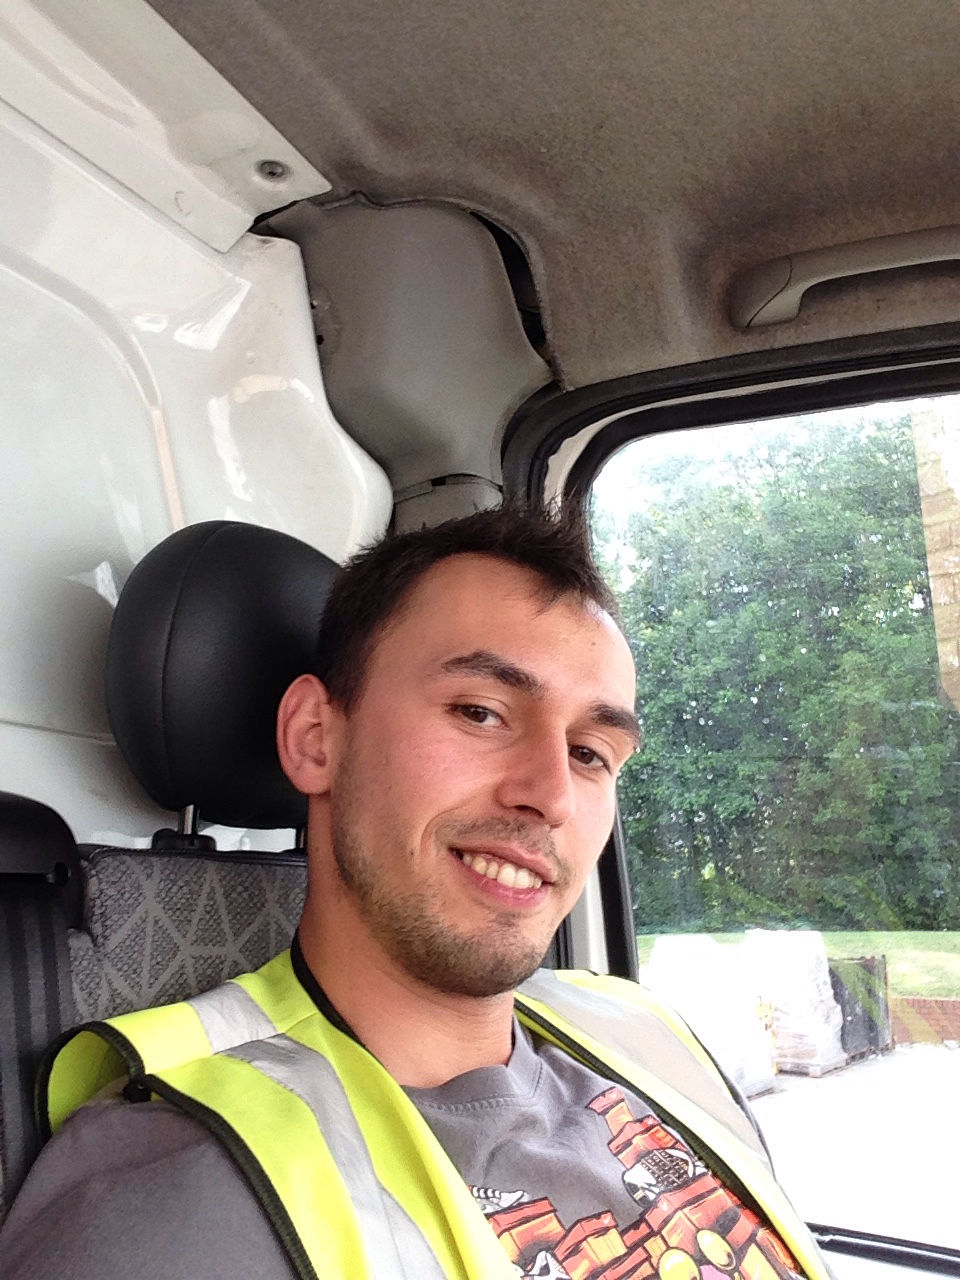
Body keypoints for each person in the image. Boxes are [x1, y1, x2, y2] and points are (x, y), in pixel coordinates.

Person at [1, 506, 827, 1280]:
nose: (552, 795)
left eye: (590, 754)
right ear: (315, 738)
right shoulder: (177, 1201)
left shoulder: (646, 1033)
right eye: (481, 712)